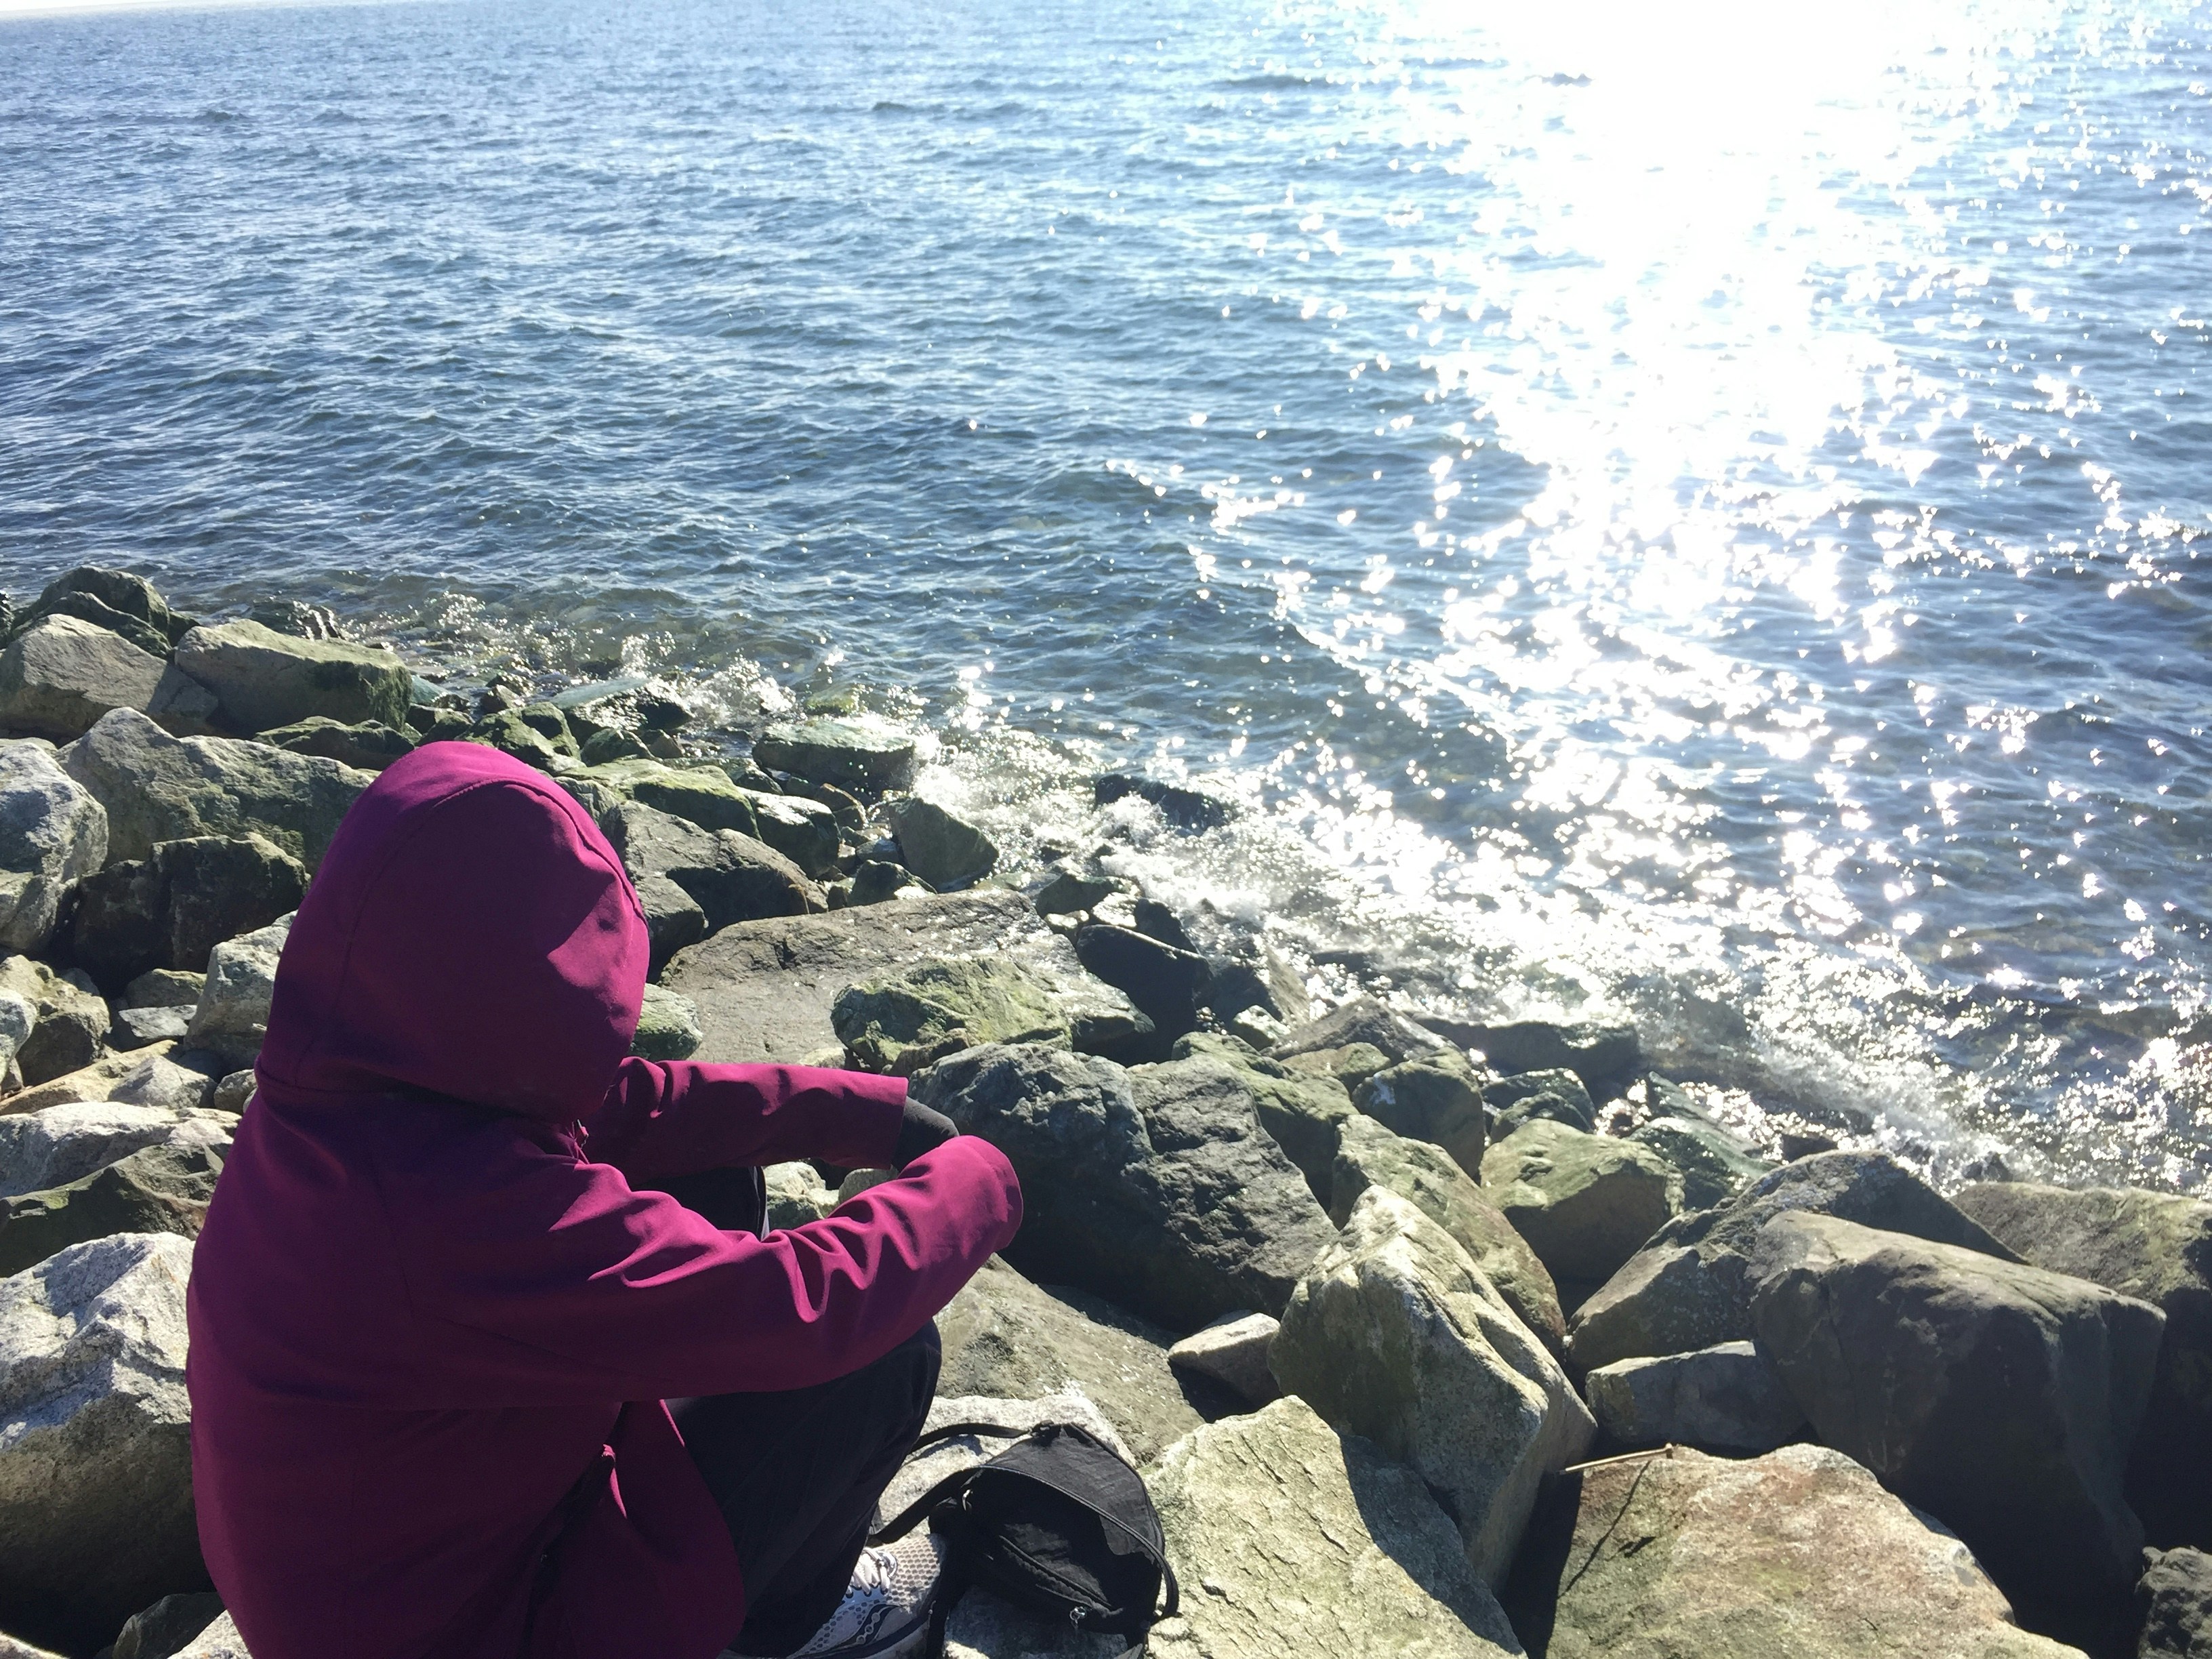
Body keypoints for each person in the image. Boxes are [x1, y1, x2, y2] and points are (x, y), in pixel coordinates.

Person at [185, 742, 1023, 1659]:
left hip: (391, 1572)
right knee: (879, 1359)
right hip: (478, 1630)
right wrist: (982, 1176)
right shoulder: (449, 1220)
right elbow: (804, 1309)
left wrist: (866, 1114)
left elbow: (624, 1106)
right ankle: (796, 1623)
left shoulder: (342, 1094)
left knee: (710, 1169)